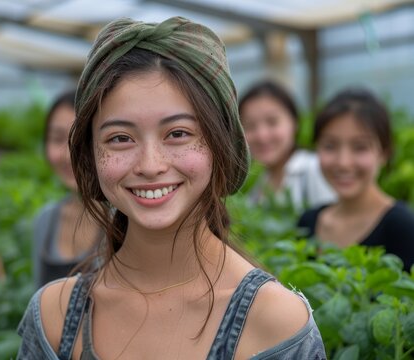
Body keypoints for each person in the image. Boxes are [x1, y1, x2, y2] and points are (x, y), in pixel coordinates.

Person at [18, 17, 326, 359]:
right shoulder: (53, 318)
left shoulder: (275, 324)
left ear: (220, 144)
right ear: (90, 154)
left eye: (178, 133)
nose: (150, 165)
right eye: (120, 138)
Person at [298, 88, 414, 271]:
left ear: (384, 153)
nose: (344, 163)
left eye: (360, 147)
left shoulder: (403, 227)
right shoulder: (308, 222)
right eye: (330, 146)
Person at [33, 89, 102, 288]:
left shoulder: (127, 223)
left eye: (81, 138)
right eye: (57, 138)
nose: (68, 155)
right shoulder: (45, 221)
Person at [239, 80, 336, 210]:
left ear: (295, 122)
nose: (262, 136)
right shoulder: (260, 185)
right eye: (250, 126)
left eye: (272, 122)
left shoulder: (315, 169)